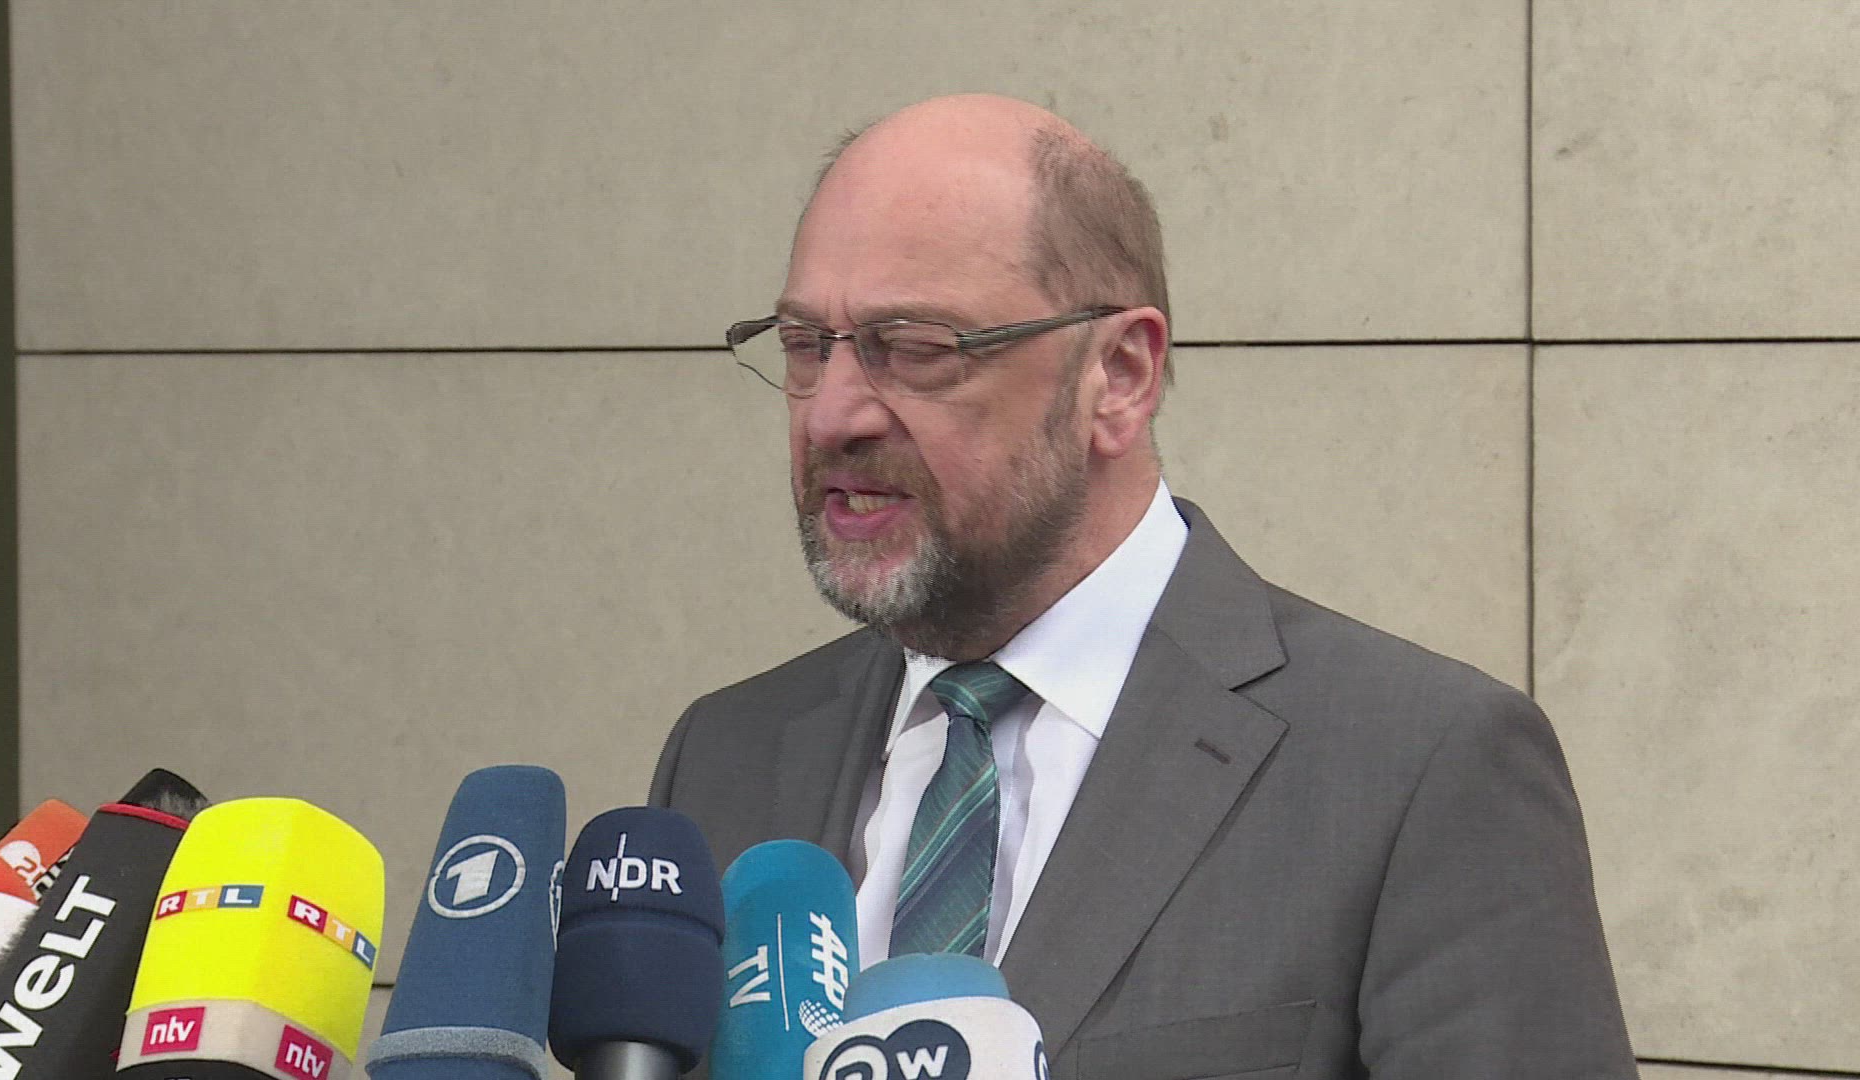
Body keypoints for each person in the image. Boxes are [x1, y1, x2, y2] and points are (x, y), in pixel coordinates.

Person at [651, 93, 1636, 1079]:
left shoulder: (1419, 769)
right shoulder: (726, 753)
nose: (832, 416)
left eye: (914, 350)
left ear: (1119, 374)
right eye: (805, 346)